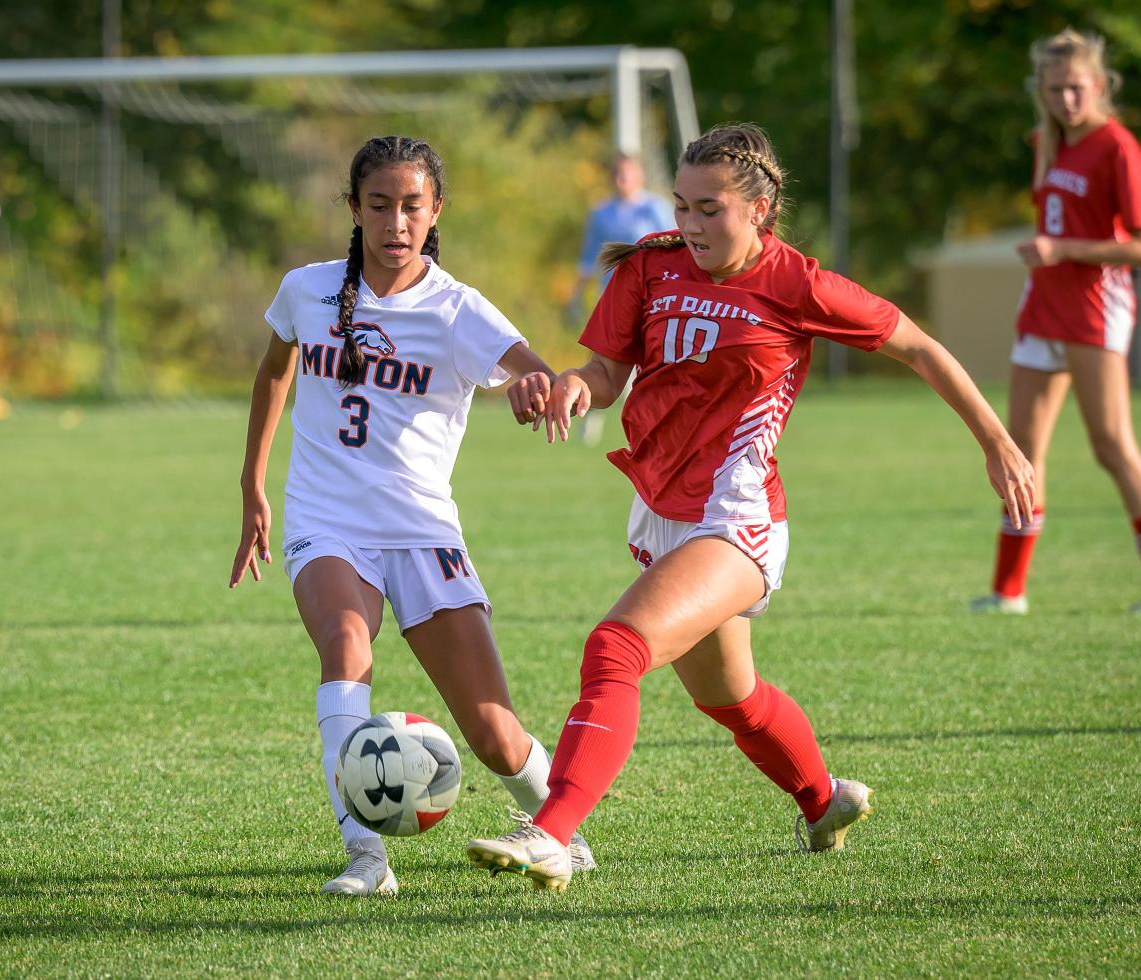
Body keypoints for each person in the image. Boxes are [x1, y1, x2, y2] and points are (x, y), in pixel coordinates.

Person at [464, 123, 1036, 892]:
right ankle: (823, 800)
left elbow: (919, 347)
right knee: (731, 698)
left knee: (616, 648)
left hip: (736, 517)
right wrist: (575, 384)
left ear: (760, 210)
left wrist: (997, 443)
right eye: (681, 206)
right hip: (663, 511)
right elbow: (607, 369)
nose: (690, 225)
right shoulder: (651, 268)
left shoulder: (797, 284)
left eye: (710, 209)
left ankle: (552, 833)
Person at [230, 135, 594, 897]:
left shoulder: (457, 310)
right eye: (379, 205)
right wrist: (253, 483)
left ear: (435, 215)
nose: (396, 222)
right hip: (326, 521)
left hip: (424, 532)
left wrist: (538, 390)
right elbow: (274, 369)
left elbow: (535, 370)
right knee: (345, 645)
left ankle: (560, 829)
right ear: (354, 210)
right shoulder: (308, 289)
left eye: (412, 207)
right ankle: (365, 855)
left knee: (494, 733)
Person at [970, 29, 1141, 616]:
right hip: (1042, 310)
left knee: (1113, 446)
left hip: (1094, 312)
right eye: (1056, 89)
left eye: (1077, 88)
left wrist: (1065, 251)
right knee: (1022, 454)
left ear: (1100, 86)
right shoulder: (1046, 141)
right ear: (1041, 89)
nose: (1067, 99)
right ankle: (1008, 593)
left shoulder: (1118, 147)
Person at [569, 154, 674, 445]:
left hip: (654, 298)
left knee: (647, 362)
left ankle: (644, 426)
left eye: (626, 174)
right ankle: (590, 420)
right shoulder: (602, 213)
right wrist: (576, 294)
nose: (621, 180)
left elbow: (674, 246)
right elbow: (590, 256)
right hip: (614, 296)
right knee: (604, 361)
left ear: (640, 176)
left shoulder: (656, 209)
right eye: (617, 174)